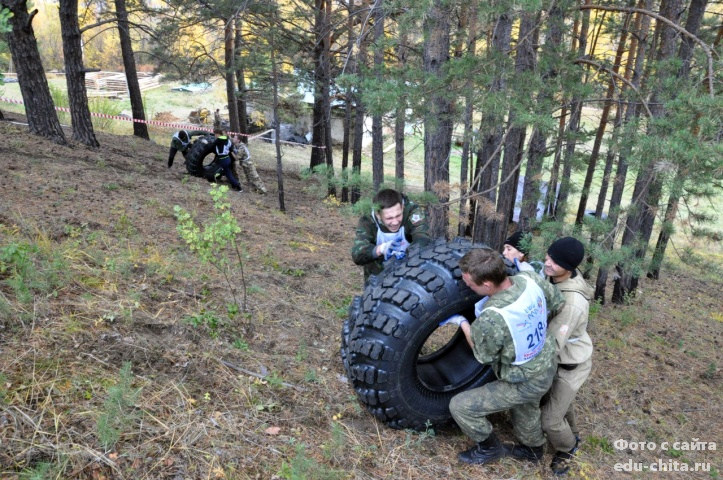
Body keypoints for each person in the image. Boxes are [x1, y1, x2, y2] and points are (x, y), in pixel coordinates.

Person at [442, 248, 565, 465]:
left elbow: (482, 355)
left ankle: (489, 448)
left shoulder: (492, 318)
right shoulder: (528, 279)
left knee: (460, 406)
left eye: (470, 283)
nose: (467, 285)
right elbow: (557, 302)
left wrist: (462, 323)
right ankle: (533, 450)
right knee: (526, 407)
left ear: (487, 284)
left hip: (524, 379)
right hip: (546, 361)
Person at [536, 236, 594, 476]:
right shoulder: (552, 276)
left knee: (549, 420)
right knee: (560, 403)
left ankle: (567, 447)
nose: (548, 263)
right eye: (549, 255)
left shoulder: (571, 304)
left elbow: (552, 345)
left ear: (569, 268)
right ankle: (572, 429)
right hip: (562, 359)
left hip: (570, 364)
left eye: (555, 261)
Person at [351, 188, 431, 281]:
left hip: (411, 275)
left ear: (402, 207)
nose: (395, 222)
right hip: (378, 279)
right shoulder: (368, 221)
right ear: (378, 215)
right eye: (389, 218)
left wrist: (408, 255)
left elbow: (422, 238)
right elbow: (357, 254)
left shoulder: (412, 212)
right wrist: (380, 249)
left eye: (398, 215)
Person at [212, 127, 243, 192]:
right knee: (226, 171)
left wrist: (205, 142)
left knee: (228, 173)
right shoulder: (229, 140)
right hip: (227, 159)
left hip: (223, 159)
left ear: (217, 134)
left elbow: (212, 146)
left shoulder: (218, 140)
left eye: (215, 134)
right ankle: (234, 184)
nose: (215, 136)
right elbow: (231, 150)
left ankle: (238, 186)